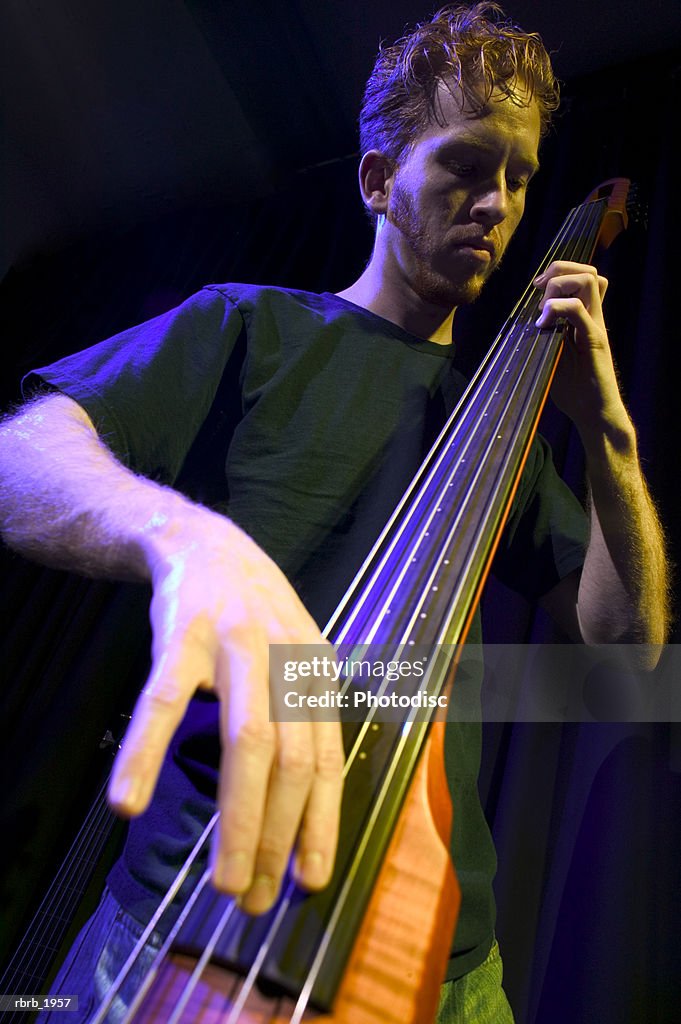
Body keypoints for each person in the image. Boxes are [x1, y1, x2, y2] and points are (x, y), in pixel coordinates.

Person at [0, 4, 669, 1022]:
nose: (495, 203)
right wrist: (188, 539)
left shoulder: (495, 425)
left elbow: (631, 655)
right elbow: (19, 451)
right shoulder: (251, 324)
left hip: (444, 949)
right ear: (374, 181)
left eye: (521, 179)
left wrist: (610, 432)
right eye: (465, 165)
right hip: (192, 908)